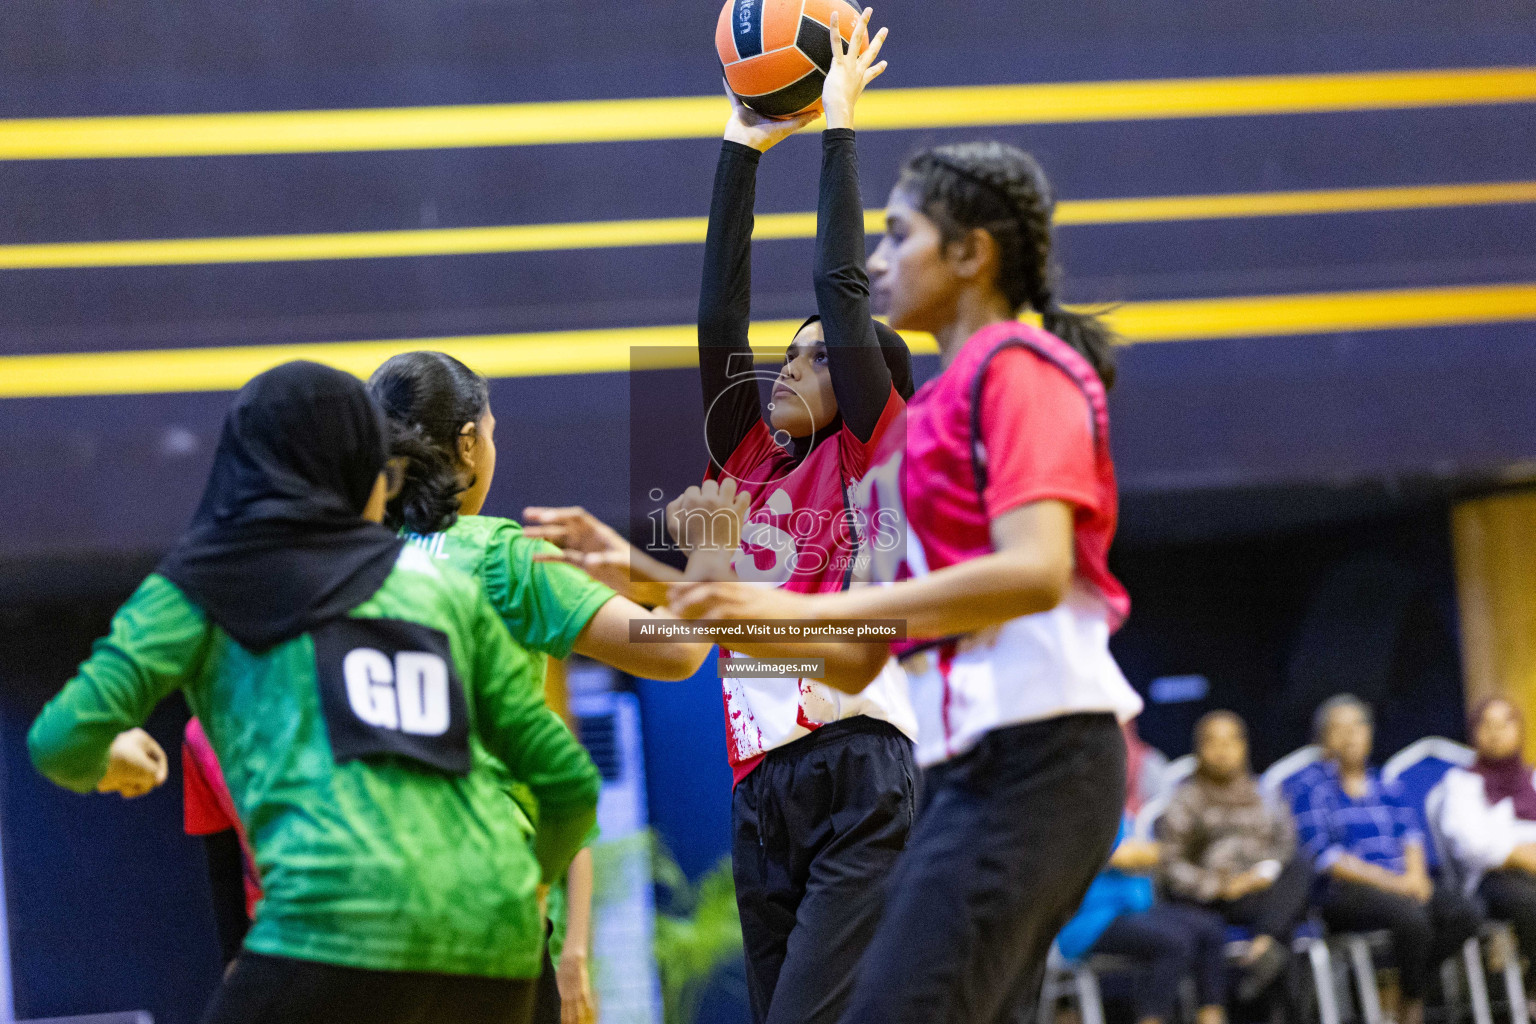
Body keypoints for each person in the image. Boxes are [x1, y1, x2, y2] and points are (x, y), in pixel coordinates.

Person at [669, 39, 1143, 1023]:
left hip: (882, 761)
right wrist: (740, 141)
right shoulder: (749, 463)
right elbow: (720, 316)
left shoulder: (886, 445)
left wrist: (840, 129)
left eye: (815, 359)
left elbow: (844, 298)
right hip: (770, 777)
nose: (789, 368)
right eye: (787, 358)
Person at [28, 362, 600, 1024]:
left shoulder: (199, 583)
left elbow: (60, 741)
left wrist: (113, 757)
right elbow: (568, 784)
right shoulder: (434, 587)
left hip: (333, 933)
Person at [1294, 694, 1482, 1024]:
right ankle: (1412, 1009)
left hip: (1400, 882)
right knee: (1413, 919)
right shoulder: (1310, 789)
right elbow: (1327, 858)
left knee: (1465, 913)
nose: (1350, 735)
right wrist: (1395, 883)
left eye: (1358, 725)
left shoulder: (1386, 783)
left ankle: (1406, 990)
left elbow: (1411, 836)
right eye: (1339, 728)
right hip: (1345, 892)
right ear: (1323, 739)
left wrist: (1417, 876)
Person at [1158, 710, 1309, 1002]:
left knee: (1301, 867)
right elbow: (1169, 863)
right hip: (1214, 897)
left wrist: (1262, 875)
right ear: (1199, 750)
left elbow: (1286, 845)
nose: (1222, 751)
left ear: (1244, 746)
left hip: (1261, 891)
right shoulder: (1186, 798)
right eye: (1213, 742)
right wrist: (1221, 885)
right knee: (1287, 923)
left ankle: (1265, 943)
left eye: (1231, 742)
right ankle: (1267, 952)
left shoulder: (1265, 793)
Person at [1058, 816, 1229, 1024]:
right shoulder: (1074, 813)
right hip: (1090, 921)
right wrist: (1137, 855)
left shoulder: (1121, 814)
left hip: (1135, 911)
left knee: (1209, 928)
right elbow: (1123, 856)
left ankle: (1211, 1018)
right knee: (1175, 942)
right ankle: (1150, 1019)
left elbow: (1149, 853)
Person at [1437, 696, 1536, 1003]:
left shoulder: (1532, 778)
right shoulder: (1462, 783)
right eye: (1486, 725)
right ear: (1474, 732)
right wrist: (1519, 853)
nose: (1496, 732)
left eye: (1504, 723)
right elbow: (1471, 845)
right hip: (1492, 880)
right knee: (1531, 902)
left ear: (1518, 728)